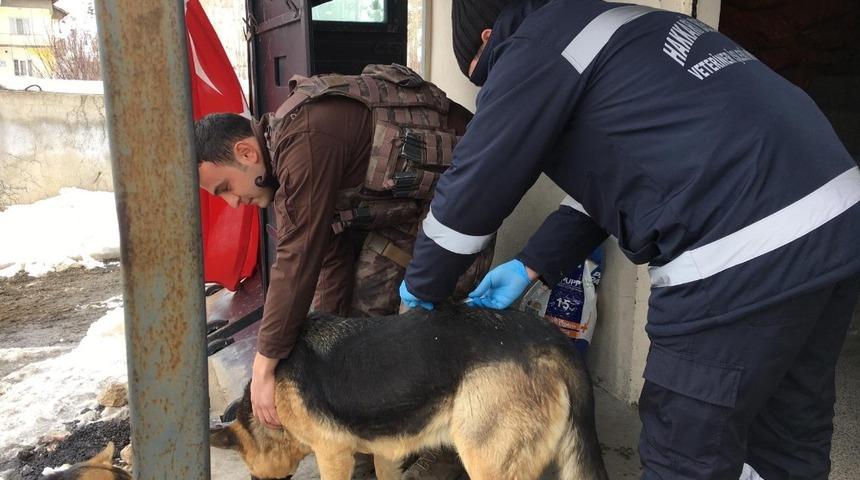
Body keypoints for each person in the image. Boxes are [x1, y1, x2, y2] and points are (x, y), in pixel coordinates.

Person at [399, 1, 860, 479]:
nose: (487, 89)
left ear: (488, 38)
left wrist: (422, 293)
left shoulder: (535, 47)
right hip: (838, 216)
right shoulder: (625, 28)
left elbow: (472, 189)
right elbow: (614, 183)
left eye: (481, 77)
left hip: (742, 246)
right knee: (788, 434)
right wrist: (532, 264)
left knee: (685, 452)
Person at [195, 64, 490, 479]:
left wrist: (264, 367)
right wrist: (321, 350)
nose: (233, 203)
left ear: (246, 153)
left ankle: (444, 450)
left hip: (465, 195)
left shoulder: (304, 142)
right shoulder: (287, 167)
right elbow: (328, 262)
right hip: (409, 213)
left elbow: (297, 258)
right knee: (360, 321)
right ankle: (371, 445)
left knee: (402, 320)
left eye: (225, 188)